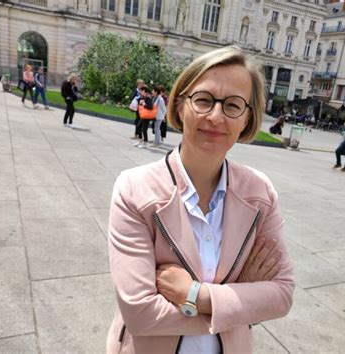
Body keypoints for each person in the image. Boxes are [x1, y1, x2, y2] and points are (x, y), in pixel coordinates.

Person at [107, 46, 294, 353]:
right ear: (180, 105)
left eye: (233, 105)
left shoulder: (260, 193)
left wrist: (194, 295)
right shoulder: (134, 188)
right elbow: (139, 313)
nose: (216, 116)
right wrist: (240, 299)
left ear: (247, 118)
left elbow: (282, 294)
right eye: (204, 100)